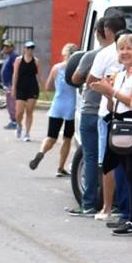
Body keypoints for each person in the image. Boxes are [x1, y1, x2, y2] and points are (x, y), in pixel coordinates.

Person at [89, 32, 132, 234]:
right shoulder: (120, 74)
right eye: (121, 48)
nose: (124, 52)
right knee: (125, 172)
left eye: (128, 48)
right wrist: (106, 92)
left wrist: (111, 90)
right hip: (118, 124)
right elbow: (112, 105)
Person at [69, 12, 123, 217]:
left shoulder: (95, 55)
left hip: (93, 110)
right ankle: (120, 204)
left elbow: (77, 78)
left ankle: (89, 202)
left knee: (91, 157)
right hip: (121, 112)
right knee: (121, 159)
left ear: (104, 32)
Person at [32, 43, 80, 175]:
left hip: (57, 105)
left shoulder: (56, 68)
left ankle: (41, 152)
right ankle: (60, 168)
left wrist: (59, 86)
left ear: (64, 54)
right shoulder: (77, 68)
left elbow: (48, 87)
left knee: (51, 137)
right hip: (71, 107)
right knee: (67, 138)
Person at [13, 40, 42, 142]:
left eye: (32, 48)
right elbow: (15, 74)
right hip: (21, 88)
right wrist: (13, 88)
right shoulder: (18, 60)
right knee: (19, 112)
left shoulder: (36, 61)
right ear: (24, 49)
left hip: (32, 88)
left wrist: (44, 90)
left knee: (29, 111)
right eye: (28, 48)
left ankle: (27, 133)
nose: (30, 50)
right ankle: (19, 125)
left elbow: (39, 76)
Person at [0, 44, 20, 131]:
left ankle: (15, 122)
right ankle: (13, 121)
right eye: (4, 47)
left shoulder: (14, 57)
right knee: (9, 103)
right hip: (7, 84)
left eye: (7, 47)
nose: (5, 48)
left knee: (12, 104)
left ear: (12, 48)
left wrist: (13, 84)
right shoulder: (8, 57)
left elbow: (16, 71)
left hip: (11, 84)